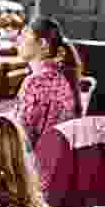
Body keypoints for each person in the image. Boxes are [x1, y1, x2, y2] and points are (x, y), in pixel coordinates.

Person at [14, 15, 83, 146]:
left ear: (42, 43)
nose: (18, 40)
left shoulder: (35, 82)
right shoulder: (62, 78)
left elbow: (22, 138)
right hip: (52, 159)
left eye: (24, 35)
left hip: (34, 161)